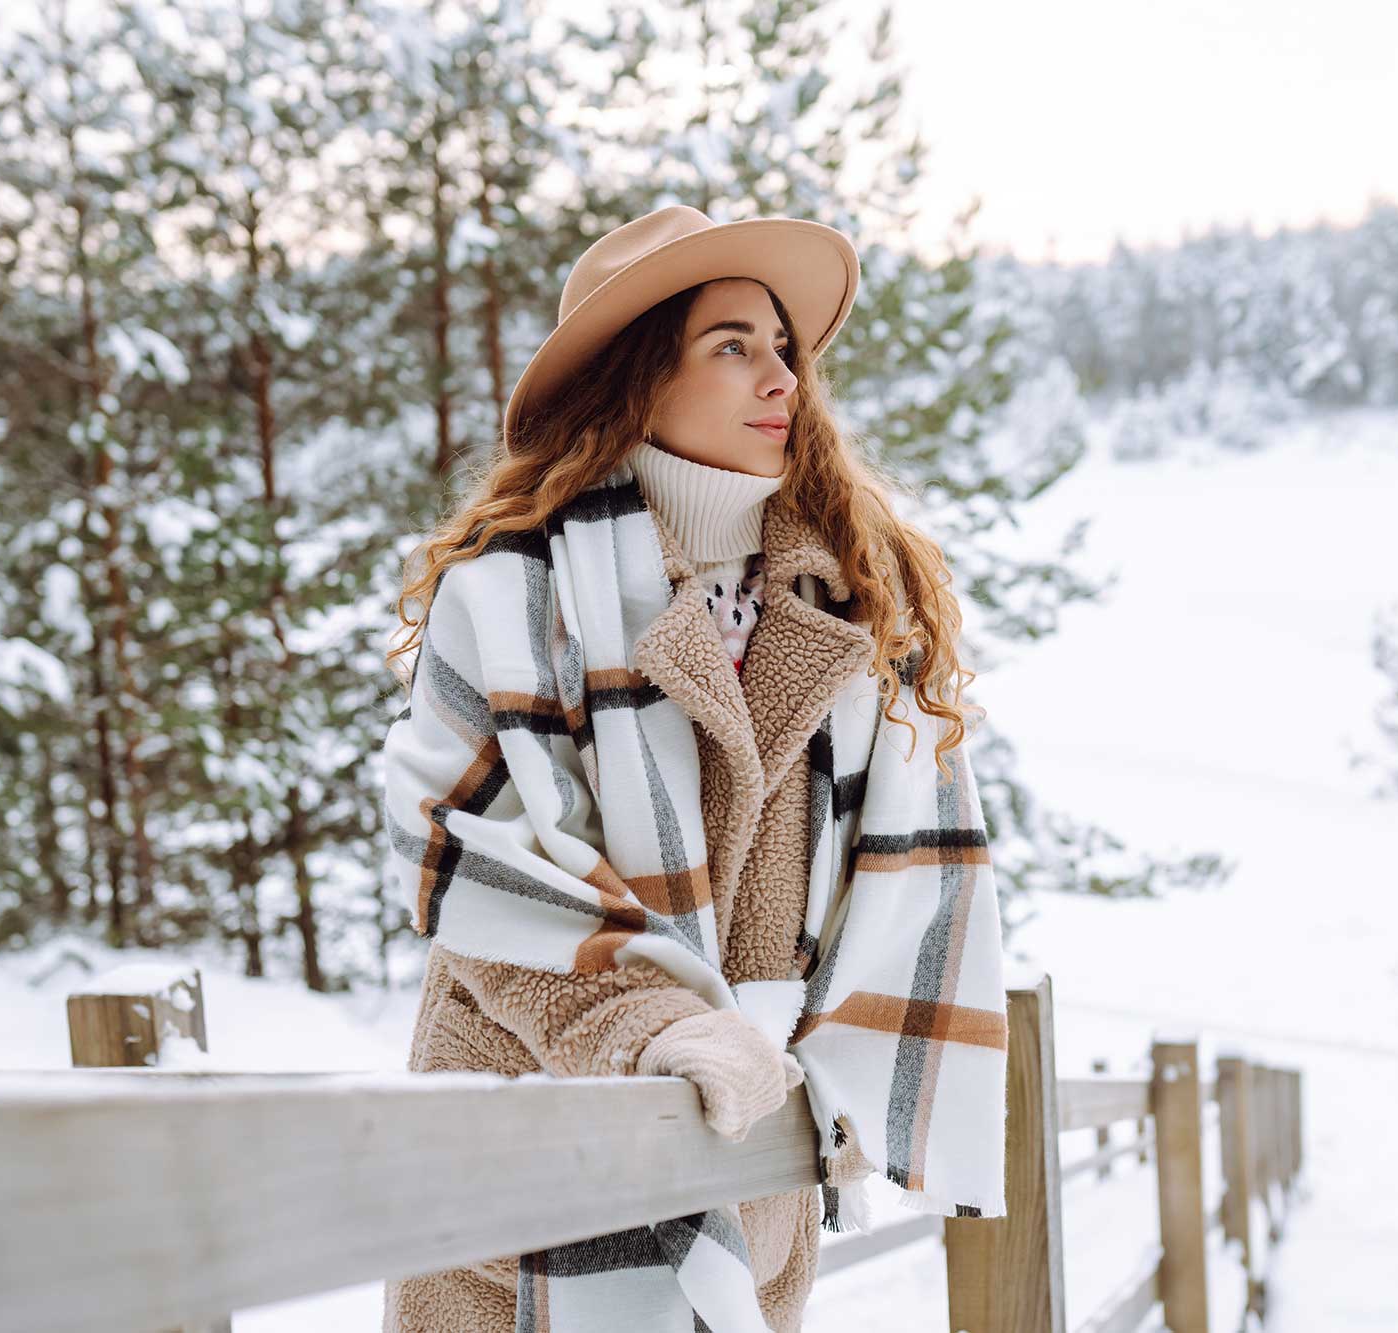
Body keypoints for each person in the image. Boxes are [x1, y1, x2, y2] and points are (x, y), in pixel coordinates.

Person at [379, 204, 1007, 1333]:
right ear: (638, 379)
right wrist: (649, 1021)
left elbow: (899, 885)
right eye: (732, 345)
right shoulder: (509, 592)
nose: (782, 377)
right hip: (527, 1162)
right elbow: (471, 858)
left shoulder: (853, 609)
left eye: (785, 347)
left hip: (753, 1160)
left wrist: (823, 1066)